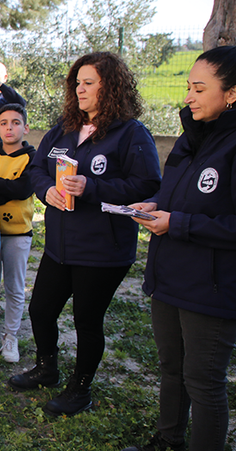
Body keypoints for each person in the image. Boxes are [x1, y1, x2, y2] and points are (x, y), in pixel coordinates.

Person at [7, 52, 161, 417]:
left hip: (102, 249)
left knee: (86, 321)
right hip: (60, 245)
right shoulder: (65, 127)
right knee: (41, 310)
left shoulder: (131, 133)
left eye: (89, 83)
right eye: (77, 83)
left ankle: (80, 389)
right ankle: (47, 368)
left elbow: (147, 184)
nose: (80, 89)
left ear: (111, 88)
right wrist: (46, 190)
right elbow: (36, 169)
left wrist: (92, 187)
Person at [123, 46, 236, 451]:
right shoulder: (191, 138)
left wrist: (178, 223)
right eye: (189, 87)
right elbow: (177, 196)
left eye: (199, 89)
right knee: (171, 367)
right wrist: (156, 206)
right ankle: (168, 439)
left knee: (203, 381)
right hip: (169, 276)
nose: (188, 97)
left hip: (211, 289)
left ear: (232, 94)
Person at [0, 103, 36, 363]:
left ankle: (10, 337)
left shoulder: (33, 158)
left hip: (18, 234)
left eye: (15, 122)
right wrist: (6, 188)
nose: (9, 127)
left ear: (26, 128)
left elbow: (24, 190)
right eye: (4, 123)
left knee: (14, 288)